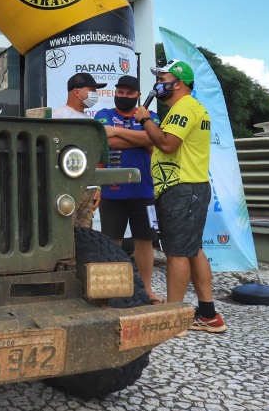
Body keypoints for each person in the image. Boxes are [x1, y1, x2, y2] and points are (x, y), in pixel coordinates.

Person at [134, 60, 225, 333]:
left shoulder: (184, 108)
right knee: (192, 249)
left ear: (179, 82)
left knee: (176, 253)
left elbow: (166, 143)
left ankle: (171, 318)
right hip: (191, 189)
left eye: (162, 78)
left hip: (182, 190)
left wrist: (146, 120)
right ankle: (208, 314)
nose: (158, 84)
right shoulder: (189, 108)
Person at [94, 75, 163, 304]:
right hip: (112, 192)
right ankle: (114, 291)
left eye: (129, 93)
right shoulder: (103, 115)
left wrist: (119, 133)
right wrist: (141, 139)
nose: (124, 96)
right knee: (112, 242)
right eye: (120, 92)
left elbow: (154, 140)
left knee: (145, 241)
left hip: (145, 191)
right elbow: (107, 142)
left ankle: (146, 290)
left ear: (138, 95)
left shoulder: (149, 116)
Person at [55, 72, 105, 227]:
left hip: (89, 189)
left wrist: (97, 186)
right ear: (76, 92)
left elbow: (94, 157)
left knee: (85, 238)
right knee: (65, 235)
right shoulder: (58, 117)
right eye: (92, 90)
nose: (95, 95)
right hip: (67, 189)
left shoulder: (91, 122)